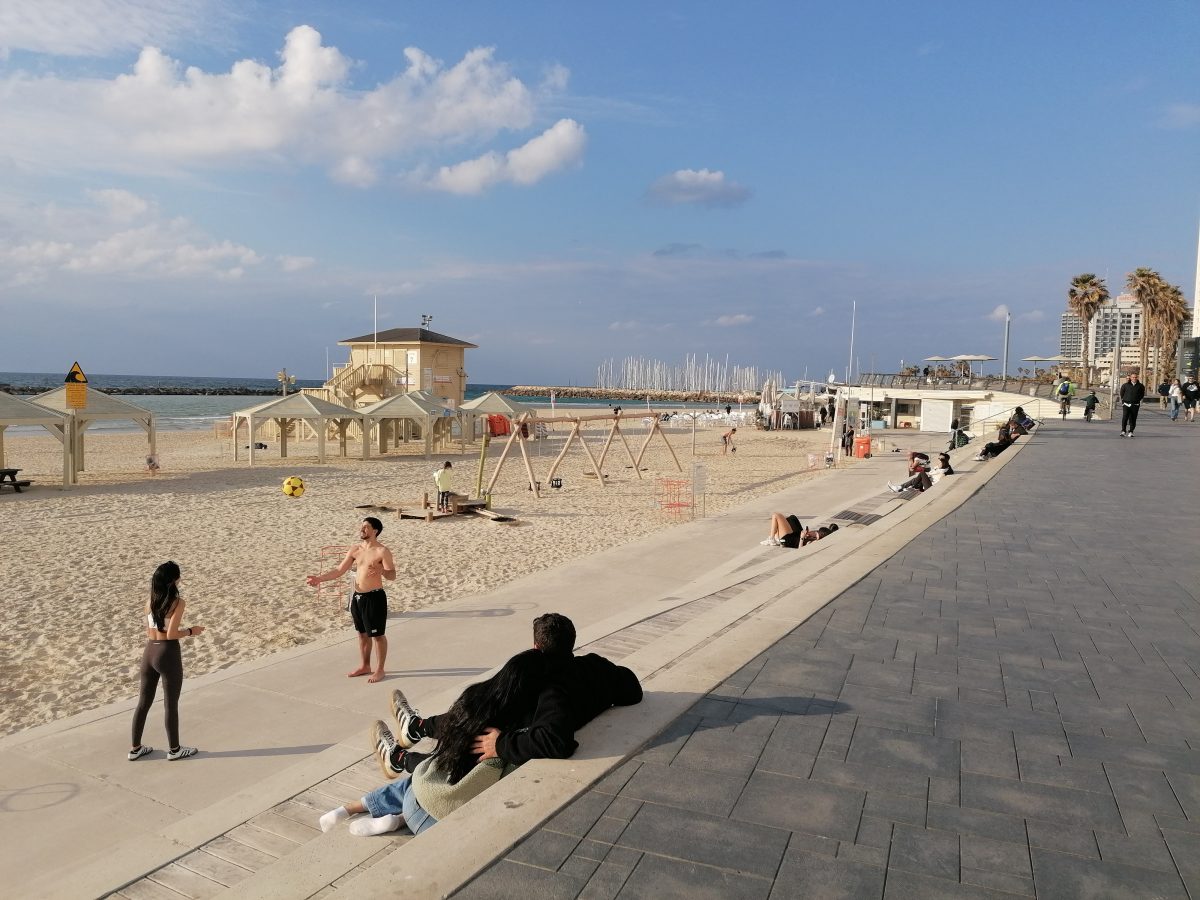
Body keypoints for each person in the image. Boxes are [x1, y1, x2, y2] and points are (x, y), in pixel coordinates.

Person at [378, 613, 642, 778]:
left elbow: (557, 741)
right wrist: (599, 695)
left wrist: (502, 744)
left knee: (476, 724)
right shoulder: (593, 665)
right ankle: (417, 728)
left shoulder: (550, 689)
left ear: (536, 646)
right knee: (479, 713)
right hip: (566, 697)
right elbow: (633, 690)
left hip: (498, 751)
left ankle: (401, 756)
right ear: (572, 644)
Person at [320, 649, 548, 837]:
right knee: (449, 790)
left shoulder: (479, 703)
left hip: (419, 794)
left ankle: (351, 808)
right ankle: (399, 819)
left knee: (430, 773)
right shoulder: (514, 737)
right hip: (429, 819)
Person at [128, 561, 205, 762]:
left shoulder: (149, 601)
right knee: (171, 704)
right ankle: (175, 749)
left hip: (149, 652)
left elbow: (151, 630)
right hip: (167, 653)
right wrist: (191, 631)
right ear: (173, 580)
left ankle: (135, 748)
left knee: (143, 702)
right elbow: (171, 634)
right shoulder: (178, 602)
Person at [306, 517, 396, 683]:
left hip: (374, 597)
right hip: (357, 597)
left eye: (366, 527)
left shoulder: (382, 551)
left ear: (375, 530)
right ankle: (365, 666)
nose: (362, 529)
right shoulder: (355, 549)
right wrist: (319, 579)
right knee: (362, 634)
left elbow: (392, 575)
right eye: (361, 526)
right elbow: (339, 570)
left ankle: (380, 669)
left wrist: (381, 570)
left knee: (377, 636)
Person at [1119, 372, 1146, 437]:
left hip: (1135, 405)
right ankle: (1123, 431)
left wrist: (1137, 400)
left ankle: (1131, 431)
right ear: (1130, 378)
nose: (1134, 378)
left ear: (1137, 378)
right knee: (1125, 417)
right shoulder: (1125, 385)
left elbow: (1142, 394)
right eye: (1133, 377)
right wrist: (1123, 402)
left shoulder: (1140, 386)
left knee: (1133, 418)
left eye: (1135, 377)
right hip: (1126, 404)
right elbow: (1121, 393)